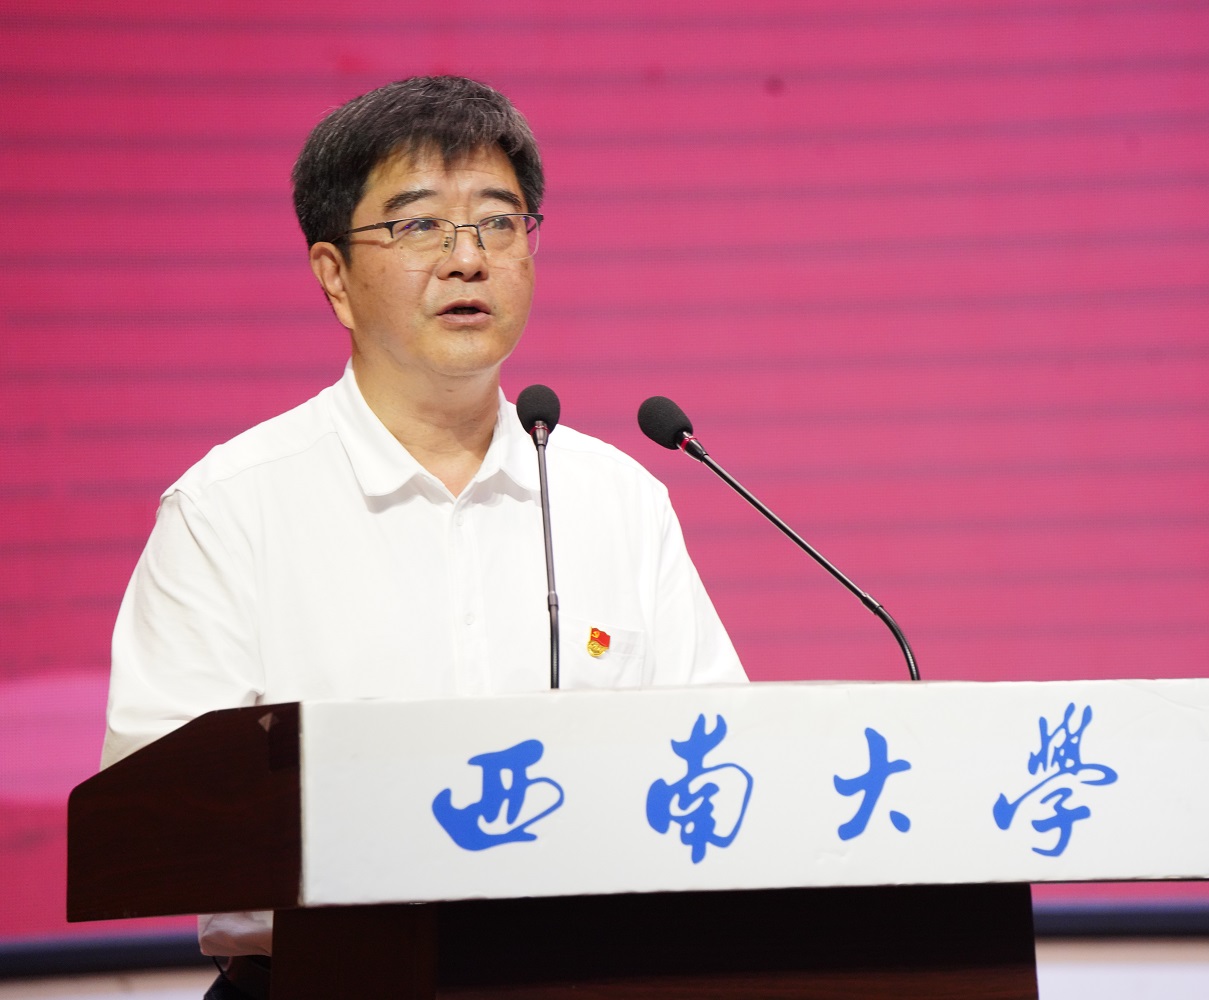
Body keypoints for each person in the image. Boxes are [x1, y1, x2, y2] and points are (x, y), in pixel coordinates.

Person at [100, 76, 745, 999]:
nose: (467, 258)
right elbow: (156, 817)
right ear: (334, 275)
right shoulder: (230, 510)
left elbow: (721, 766)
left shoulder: (618, 500)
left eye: (498, 222)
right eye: (418, 225)